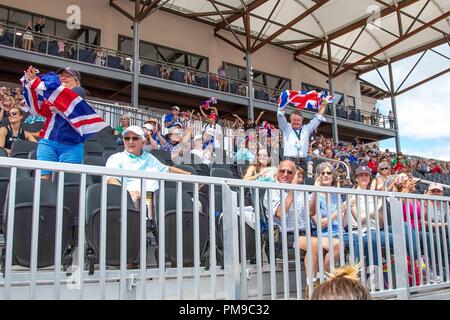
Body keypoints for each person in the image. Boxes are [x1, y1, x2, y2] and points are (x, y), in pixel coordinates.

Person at [23, 66, 106, 180]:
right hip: (48, 142)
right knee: (43, 180)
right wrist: (31, 84)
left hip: (72, 145)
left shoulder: (78, 93)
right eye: (61, 76)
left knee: (67, 182)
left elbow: (65, 98)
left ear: (77, 82)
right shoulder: (51, 95)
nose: (63, 78)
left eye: (68, 76)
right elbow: (38, 107)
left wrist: (39, 84)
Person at [106, 125, 191, 221]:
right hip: (132, 199)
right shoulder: (116, 158)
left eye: (134, 138)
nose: (130, 141)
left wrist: (189, 176)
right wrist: (127, 193)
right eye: (127, 138)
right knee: (135, 201)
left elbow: (167, 169)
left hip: (156, 199)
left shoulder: (150, 158)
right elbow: (112, 180)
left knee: (195, 203)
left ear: (142, 142)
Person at [263, 160, 319, 295]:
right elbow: (281, 213)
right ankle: (312, 287)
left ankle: (325, 285)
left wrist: (316, 191)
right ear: (277, 172)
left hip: (304, 234)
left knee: (335, 244)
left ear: (294, 174)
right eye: (283, 171)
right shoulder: (272, 190)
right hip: (283, 237)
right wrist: (292, 191)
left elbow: (311, 213)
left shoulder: (301, 191)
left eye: (289, 172)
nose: (285, 174)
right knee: (314, 244)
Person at [309, 162, 345, 272]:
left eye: (328, 173)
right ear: (318, 176)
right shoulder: (312, 197)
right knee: (339, 244)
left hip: (341, 232)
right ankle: (327, 278)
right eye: (322, 173)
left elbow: (342, 223)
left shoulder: (337, 195)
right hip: (323, 234)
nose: (325, 175)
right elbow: (319, 224)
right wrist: (339, 210)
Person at [277, 101, 327, 172]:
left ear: (302, 121)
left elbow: (317, 118)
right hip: (289, 160)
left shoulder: (306, 129)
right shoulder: (286, 127)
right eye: (294, 120)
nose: (296, 122)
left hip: (302, 160)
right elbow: (280, 115)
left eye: (298, 120)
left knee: (301, 181)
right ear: (290, 120)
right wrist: (283, 101)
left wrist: (324, 104)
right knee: (289, 181)